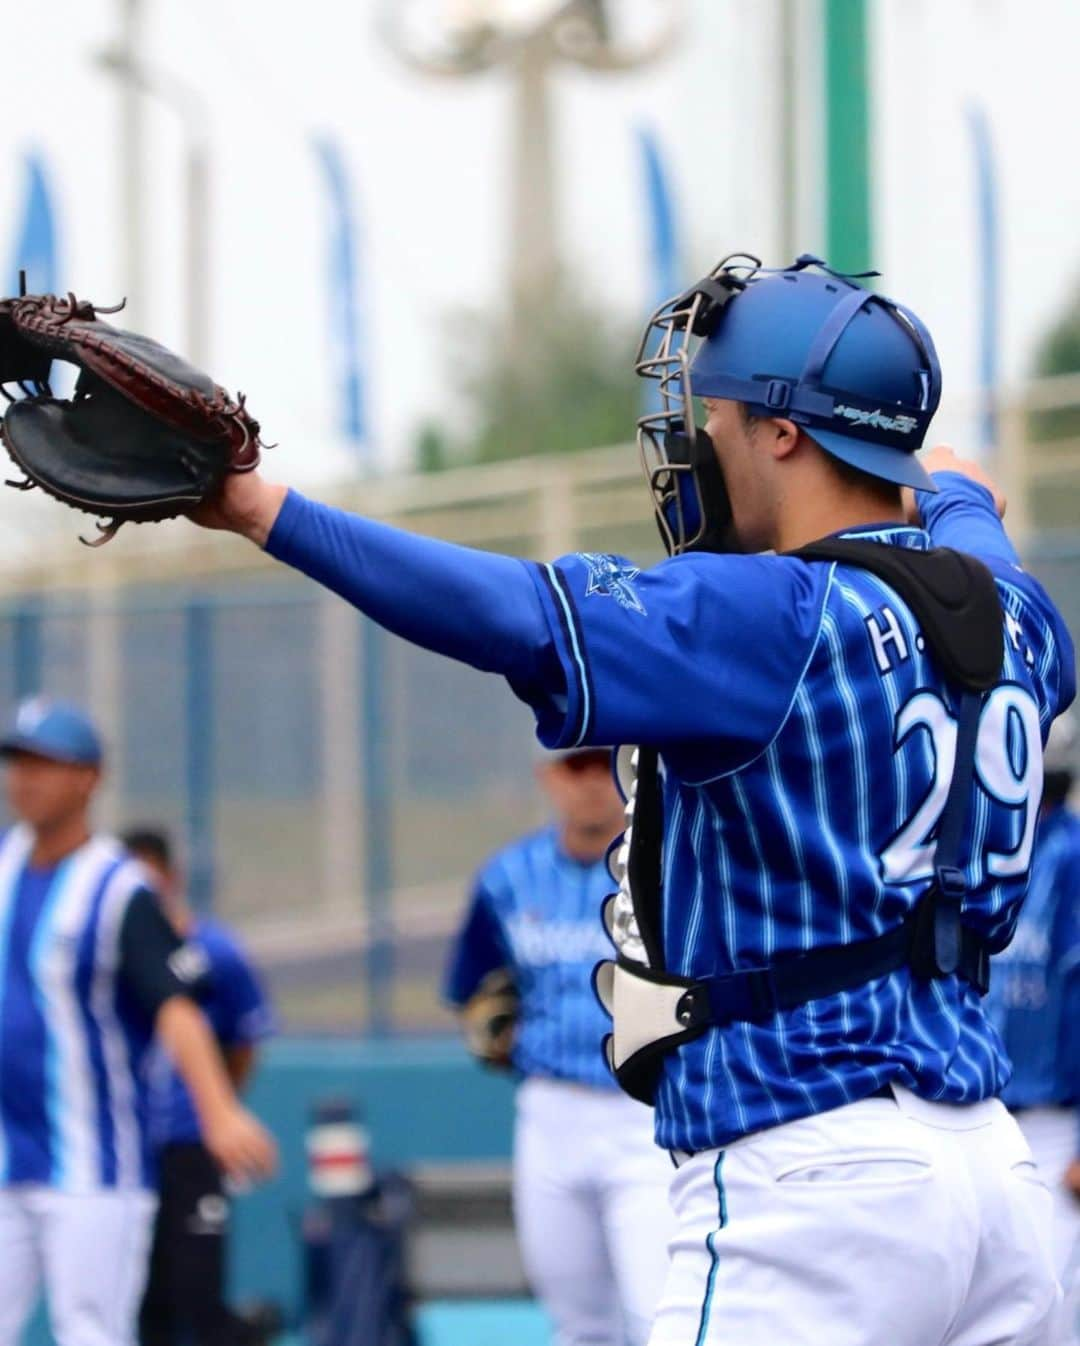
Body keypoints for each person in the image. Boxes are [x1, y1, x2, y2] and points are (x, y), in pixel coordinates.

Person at [190, 254, 1075, 1344]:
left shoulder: (770, 615)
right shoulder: (1016, 613)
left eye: (722, 415)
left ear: (785, 432)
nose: (702, 441)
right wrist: (935, 486)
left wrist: (259, 508)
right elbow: (966, 513)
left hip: (813, 1176)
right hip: (995, 1176)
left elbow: (508, 611)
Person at [0, 698, 277, 1346]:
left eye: (43, 764)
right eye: (16, 762)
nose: (23, 779)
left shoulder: (118, 890)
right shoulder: (5, 866)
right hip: (8, 1156)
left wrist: (219, 1111)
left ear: (88, 777)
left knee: (92, 1331)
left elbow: (176, 1008)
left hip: (94, 1165)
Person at [444, 748, 673, 1346]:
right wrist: (491, 1025)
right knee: (577, 1323)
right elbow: (469, 985)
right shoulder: (507, 877)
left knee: (654, 1313)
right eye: (576, 768)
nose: (592, 782)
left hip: (643, 1115)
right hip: (549, 1115)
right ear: (548, 776)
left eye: (604, 765)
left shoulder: (667, 864)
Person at [122, 827, 277, 1346]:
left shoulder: (215, 953)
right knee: (144, 1301)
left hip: (192, 1146)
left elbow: (245, 1037)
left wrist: (220, 1108)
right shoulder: (111, 959)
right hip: (129, 1147)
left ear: (171, 879)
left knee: (199, 1292)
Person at [989, 712, 1080, 1343]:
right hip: (985, 1117)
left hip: (1055, 1124)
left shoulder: (1071, 856)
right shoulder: (978, 856)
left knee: (1049, 1313)